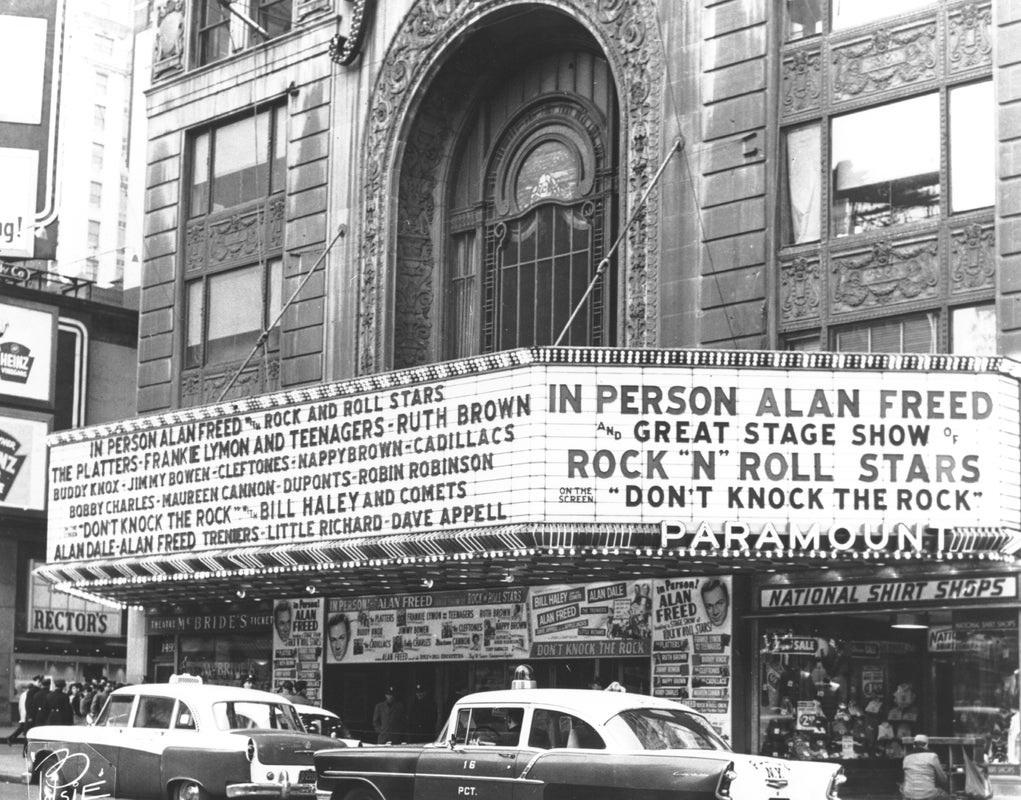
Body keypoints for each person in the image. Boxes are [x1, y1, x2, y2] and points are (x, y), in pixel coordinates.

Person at [902, 734, 949, 800]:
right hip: (928, 794)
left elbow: (905, 778)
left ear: (914, 745)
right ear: (926, 745)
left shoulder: (906, 758)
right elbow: (943, 779)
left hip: (909, 794)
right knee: (946, 795)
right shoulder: (932, 756)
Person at [6, 675, 43, 744]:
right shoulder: (28, 694)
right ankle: (11, 738)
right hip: (27, 714)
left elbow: (21, 705)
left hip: (24, 714)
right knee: (24, 729)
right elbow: (26, 705)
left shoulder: (24, 694)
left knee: (22, 729)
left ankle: (11, 738)